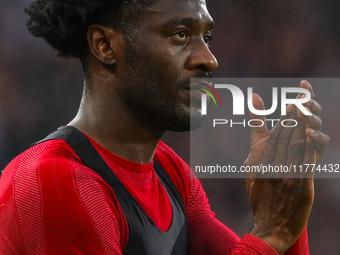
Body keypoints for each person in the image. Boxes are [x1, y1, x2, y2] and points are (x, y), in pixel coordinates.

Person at [0, 0, 329, 254]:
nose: (208, 58)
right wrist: (273, 232)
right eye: (181, 35)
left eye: (207, 36)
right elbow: (264, 243)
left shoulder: (170, 173)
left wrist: (288, 203)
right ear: (105, 45)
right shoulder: (53, 181)